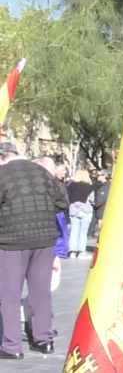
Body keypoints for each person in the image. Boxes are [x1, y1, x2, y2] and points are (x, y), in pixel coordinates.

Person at [0, 143, 69, 359]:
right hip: (44, 240)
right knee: (41, 291)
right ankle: (44, 339)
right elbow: (62, 202)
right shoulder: (42, 172)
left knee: (9, 294)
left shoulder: (2, 174)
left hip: (12, 240)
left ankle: (12, 347)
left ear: (3, 158)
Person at [65, 170, 95, 259]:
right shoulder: (89, 187)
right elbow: (92, 199)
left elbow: (67, 198)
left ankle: (72, 252)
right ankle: (81, 252)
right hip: (86, 211)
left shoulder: (70, 186)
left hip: (74, 210)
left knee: (74, 231)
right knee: (83, 233)